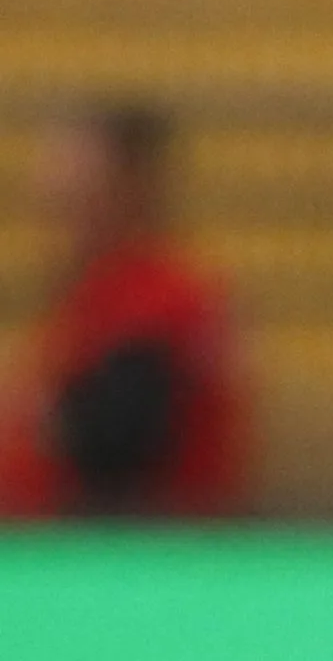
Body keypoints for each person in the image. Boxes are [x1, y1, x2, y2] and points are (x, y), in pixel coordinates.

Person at [0, 105, 248, 518]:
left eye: (79, 188)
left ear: (129, 186)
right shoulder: (91, 293)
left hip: (131, 546)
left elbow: (118, 441)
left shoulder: (159, 296)